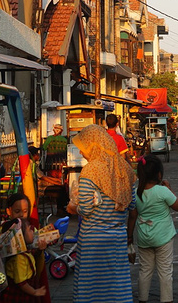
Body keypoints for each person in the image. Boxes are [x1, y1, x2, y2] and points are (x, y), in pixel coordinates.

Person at [66, 124, 137, 303]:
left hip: (93, 240)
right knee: (116, 287)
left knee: (91, 290)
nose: (81, 153)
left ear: (93, 146)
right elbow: (132, 205)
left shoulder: (90, 170)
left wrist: (74, 208)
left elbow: (86, 209)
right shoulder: (125, 169)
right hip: (117, 238)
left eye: (83, 148)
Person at [133, 154, 178, 303]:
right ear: (159, 174)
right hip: (163, 236)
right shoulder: (162, 191)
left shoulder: (136, 193)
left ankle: (142, 298)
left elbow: (133, 215)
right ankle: (166, 299)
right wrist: (169, 189)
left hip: (143, 236)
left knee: (145, 270)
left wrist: (129, 238)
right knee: (165, 271)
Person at [0, 218, 47, 301]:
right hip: (19, 296)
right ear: (20, 237)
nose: (33, 232)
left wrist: (40, 249)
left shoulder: (25, 251)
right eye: (29, 230)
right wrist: (35, 292)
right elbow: (21, 283)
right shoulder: (18, 258)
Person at [29, 146, 68, 217]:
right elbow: (43, 178)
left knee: (61, 187)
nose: (38, 155)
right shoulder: (32, 164)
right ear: (34, 155)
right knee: (60, 190)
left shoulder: (34, 164)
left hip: (42, 184)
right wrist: (57, 182)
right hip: (40, 188)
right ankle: (60, 210)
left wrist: (57, 180)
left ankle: (62, 209)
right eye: (37, 154)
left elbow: (45, 177)